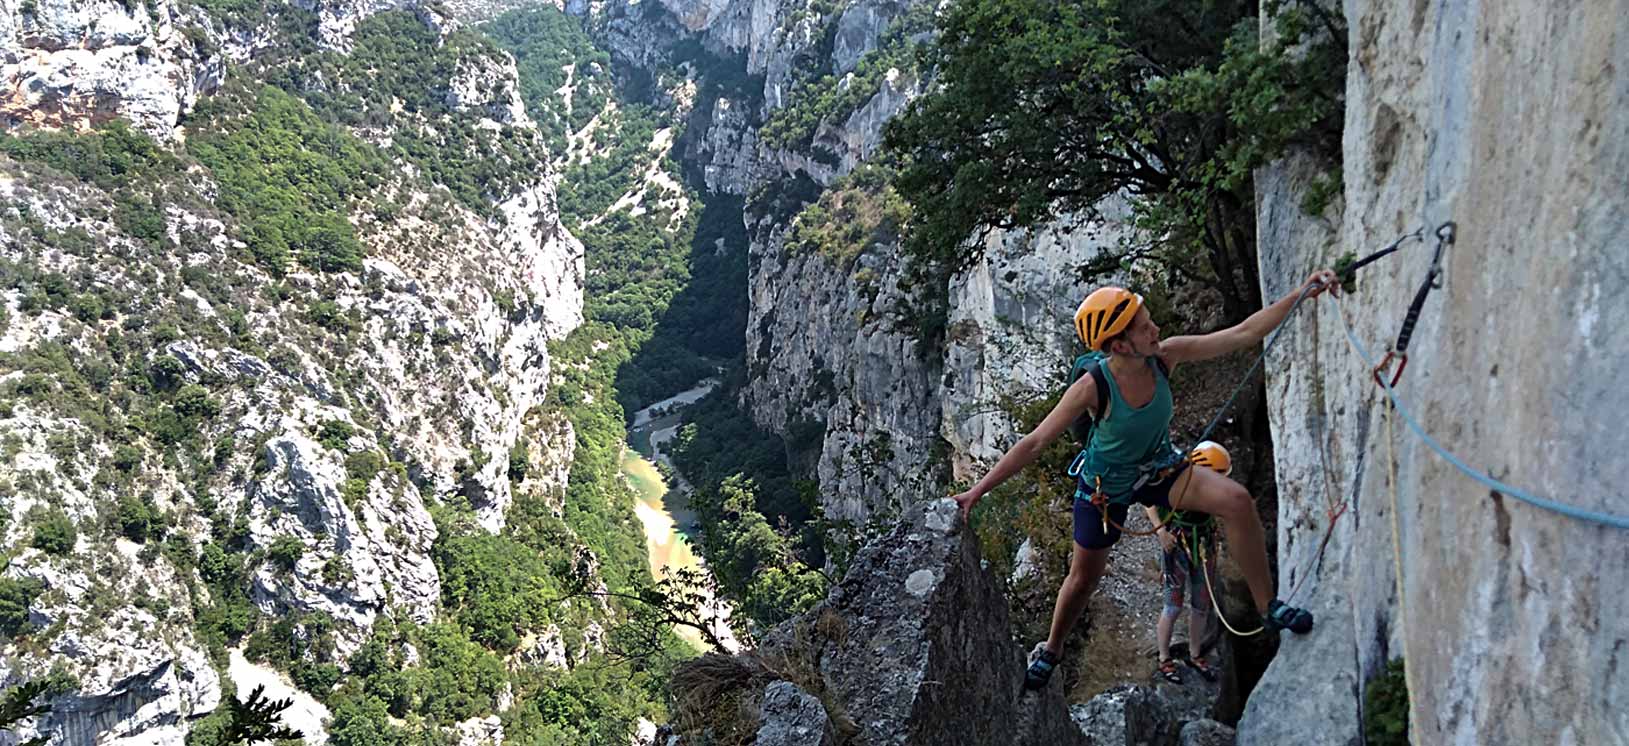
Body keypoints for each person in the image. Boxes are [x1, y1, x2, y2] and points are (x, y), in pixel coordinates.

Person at [951, 270, 1338, 691]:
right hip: (1103, 490)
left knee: (1238, 501)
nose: (1155, 329)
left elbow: (1242, 333)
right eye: (1144, 326)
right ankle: (1053, 648)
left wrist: (1302, 292)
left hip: (1158, 470)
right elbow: (1034, 442)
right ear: (1119, 345)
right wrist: (978, 491)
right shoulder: (1092, 387)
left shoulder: (1165, 357)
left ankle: (1269, 608)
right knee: (1084, 579)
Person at [1146, 441, 1229, 684]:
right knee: (1173, 606)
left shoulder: (1210, 487)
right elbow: (1148, 501)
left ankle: (1195, 653)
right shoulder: (1174, 479)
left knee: (1201, 604)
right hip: (1177, 544)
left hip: (1203, 544)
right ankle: (1164, 658)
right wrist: (1161, 532)